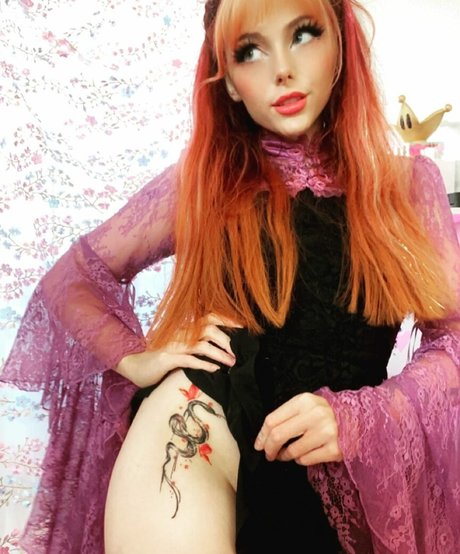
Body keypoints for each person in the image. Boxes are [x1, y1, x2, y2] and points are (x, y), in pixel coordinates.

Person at [1, 0, 459, 552]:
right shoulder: (201, 184)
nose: (281, 69)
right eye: (250, 51)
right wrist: (136, 356)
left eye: (303, 34)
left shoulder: (407, 186)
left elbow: (454, 341)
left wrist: (366, 418)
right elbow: (70, 281)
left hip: (334, 470)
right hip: (199, 431)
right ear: (231, 83)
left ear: (341, 45)